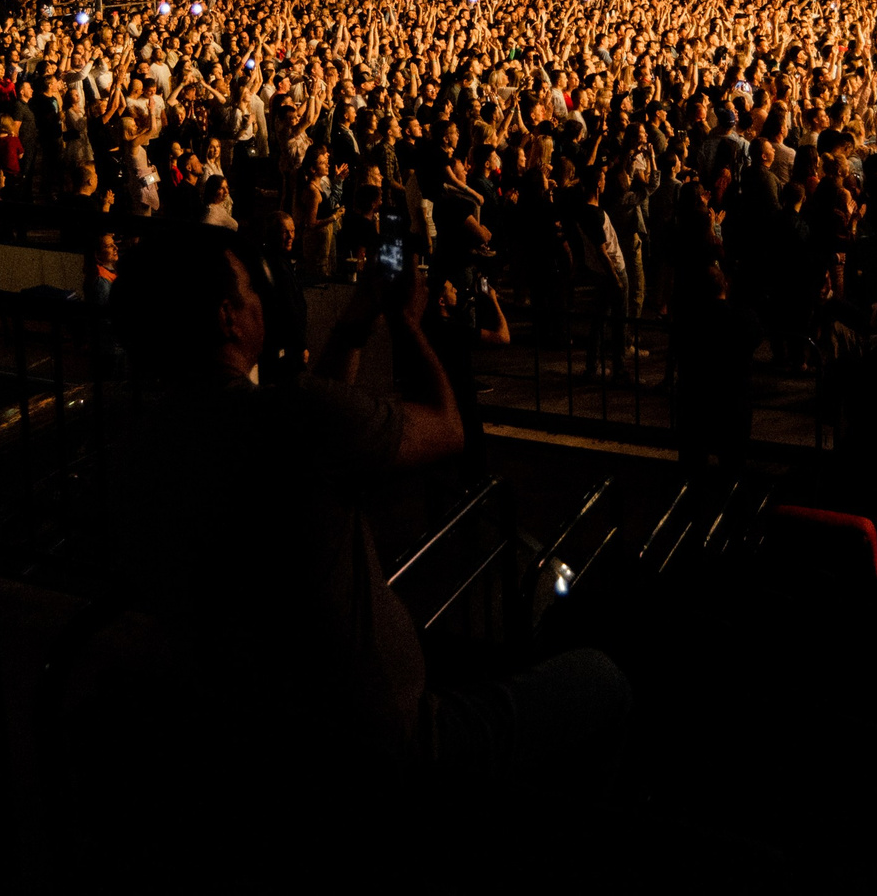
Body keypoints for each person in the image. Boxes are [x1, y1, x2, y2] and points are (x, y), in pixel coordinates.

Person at [104, 231, 628, 797]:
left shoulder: (140, 445)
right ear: (230, 318)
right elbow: (445, 426)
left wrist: (356, 321)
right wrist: (408, 323)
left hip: (252, 738)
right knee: (602, 676)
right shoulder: (293, 417)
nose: (262, 299)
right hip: (383, 744)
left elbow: (315, 423)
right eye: (251, 288)